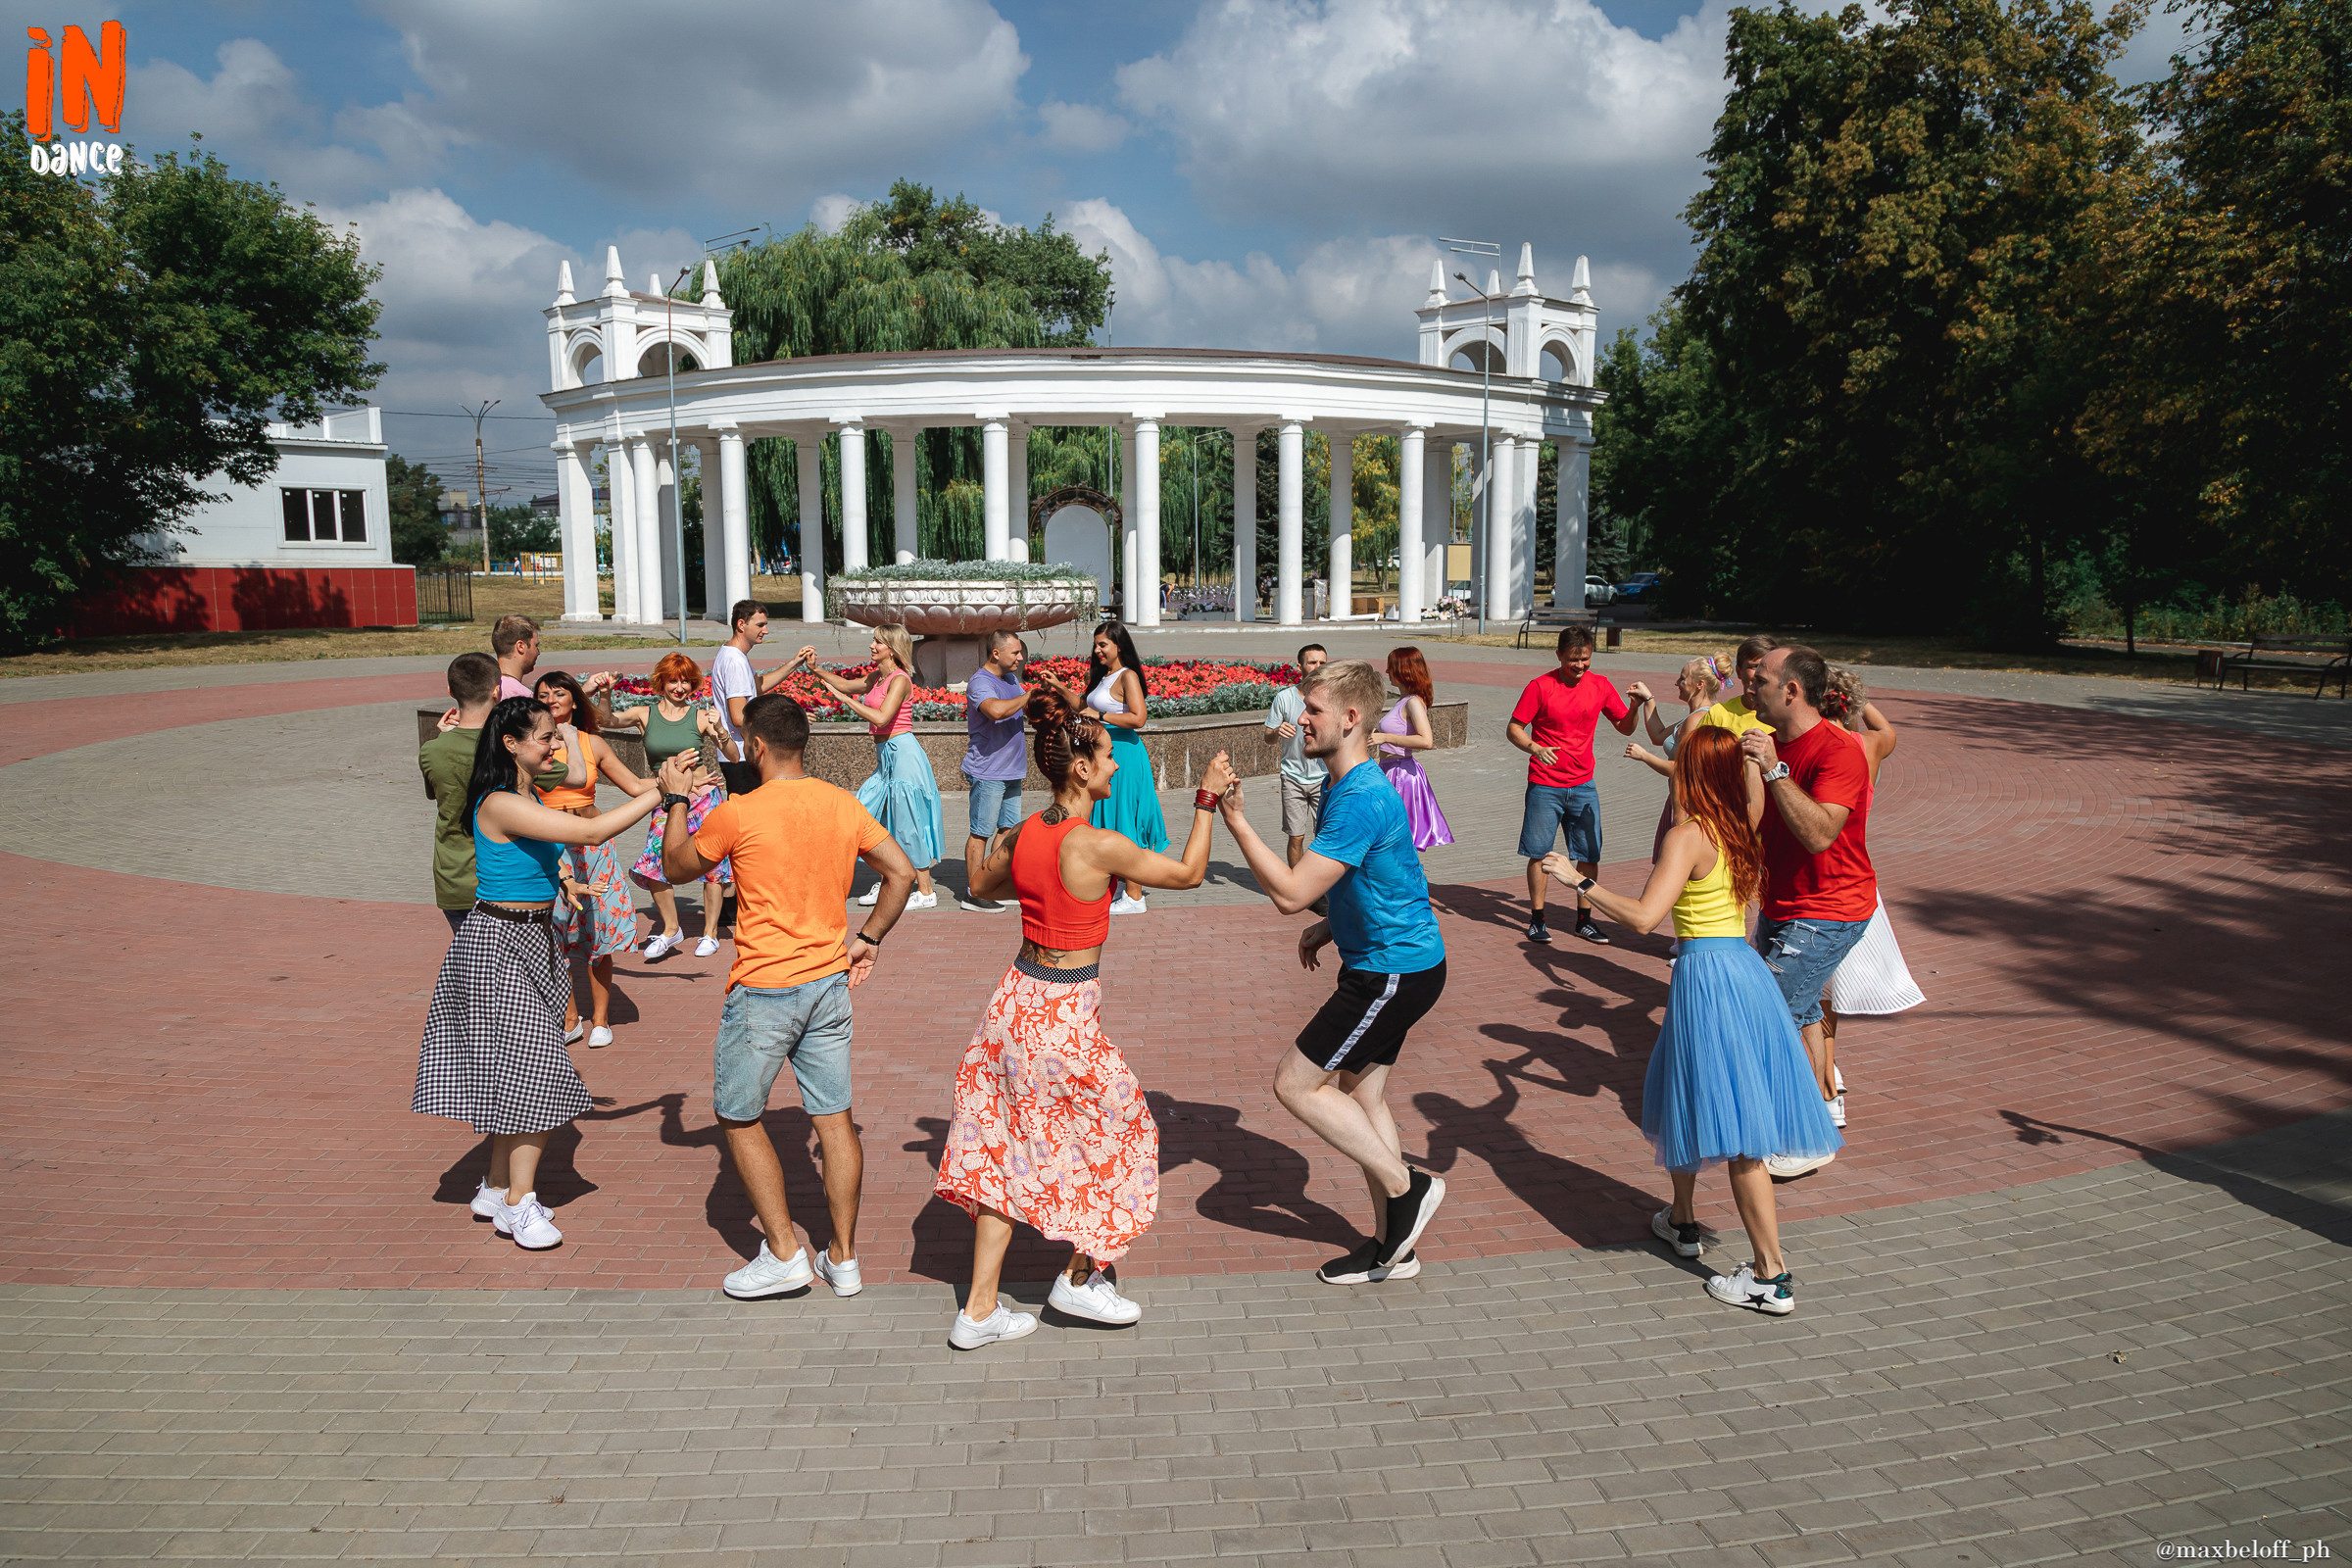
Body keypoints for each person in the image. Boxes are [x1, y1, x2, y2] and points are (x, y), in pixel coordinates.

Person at [937, 689, 1238, 1349]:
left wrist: (1036, 879)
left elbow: (984, 885)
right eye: (1106, 757)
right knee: (1125, 1136)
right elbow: (1188, 875)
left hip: (1014, 999)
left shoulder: (1027, 833)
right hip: (1063, 1013)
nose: (1115, 767)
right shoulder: (1096, 845)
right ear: (1079, 767)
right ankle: (1078, 1276)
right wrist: (1208, 798)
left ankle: (979, 1312)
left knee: (1004, 1147)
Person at [1538, 723, 1840, 1315]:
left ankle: (1771, 1275)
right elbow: (1753, 797)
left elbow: (1647, 918)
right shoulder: (1740, 826)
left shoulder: (1688, 835)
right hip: (1742, 973)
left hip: (1709, 980)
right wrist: (1757, 758)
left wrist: (1580, 883)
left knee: (1740, 1131)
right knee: (1682, 1091)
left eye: (1680, 765)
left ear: (1693, 775)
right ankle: (1680, 1218)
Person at [659, 694, 918, 1299]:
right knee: (834, 1118)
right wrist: (869, 937)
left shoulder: (737, 812)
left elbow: (674, 867)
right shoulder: (839, 802)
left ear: (754, 747)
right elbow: (901, 873)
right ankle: (844, 1258)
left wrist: (675, 798)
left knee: (737, 1113)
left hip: (764, 989)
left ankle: (783, 1253)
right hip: (828, 982)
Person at [1214, 659, 1448, 1286]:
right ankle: (1393, 1247)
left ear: (1350, 719)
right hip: (1396, 961)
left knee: (1295, 1083)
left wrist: (1235, 818)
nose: (1300, 718)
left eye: (1312, 709)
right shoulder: (1351, 787)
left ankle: (1410, 1187)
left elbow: (1290, 892)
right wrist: (1333, 924)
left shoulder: (1361, 797)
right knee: (1363, 1096)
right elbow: (1382, 876)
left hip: (1390, 972)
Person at [413, 695, 676, 1250]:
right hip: (497, 947)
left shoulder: (526, 792)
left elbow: (535, 857)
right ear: (510, 743)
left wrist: (564, 885)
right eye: (545, 737)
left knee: (522, 1074)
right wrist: (662, 791)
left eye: (556, 736)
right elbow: (588, 833)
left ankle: (495, 1186)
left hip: (532, 940)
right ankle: (519, 1206)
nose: (556, 745)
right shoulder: (501, 800)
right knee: (539, 1075)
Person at [1737, 645, 1880, 1180]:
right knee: (1799, 1011)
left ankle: (1805, 1140)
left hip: (1829, 911)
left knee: (1769, 1013)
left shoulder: (1839, 750)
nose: (1749, 688)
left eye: (1760, 681)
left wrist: (1773, 772)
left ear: (1791, 690)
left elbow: (1820, 834)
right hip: (1783, 904)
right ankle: (1822, 1105)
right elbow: (1753, 824)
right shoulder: (1772, 744)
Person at [1817, 668, 1923, 1124]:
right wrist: (1858, 696)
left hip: (1822, 885)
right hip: (1858, 881)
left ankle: (1825, 1085)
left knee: (1813, 997)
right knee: (1826, 997)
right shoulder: (1868, 746)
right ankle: (1829, 1079)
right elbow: (1883, 727)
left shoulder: (1817, 749)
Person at [533, 670, 656, 1049]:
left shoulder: (591, 742)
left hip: (593, 847)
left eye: (558, 693)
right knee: (556, 932)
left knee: (598, 931)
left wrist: (680, 778)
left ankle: (600, 1019)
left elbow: (635, 786)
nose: (551, 700)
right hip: (551, 847)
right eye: (543, 695)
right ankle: (571, 1017)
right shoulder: (533, 746)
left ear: (573, 699)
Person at [1508, 624, 1641, 946]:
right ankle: (1537, 919)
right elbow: (1514, 728)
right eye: (1573, 660)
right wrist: (1535, 748)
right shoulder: (1540, 686)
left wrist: (1635, 705)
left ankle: (1585, 920)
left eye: (1585, 659)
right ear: (1559, 655)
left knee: (1588, 855)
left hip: (1583, 785)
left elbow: (1625, 728)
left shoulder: (1601, 685)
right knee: (1539, 853)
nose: (1580, 666)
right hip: (1544, 784)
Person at [796, 624, 943, 910]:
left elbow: (883, 716)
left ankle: (925, 892)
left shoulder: (899, 680)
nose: (872, 646)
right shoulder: (879, 677)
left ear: (892, 647)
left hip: (903, 756)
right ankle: (891, 878)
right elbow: (847, 684)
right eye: (873, 641)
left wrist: (845, 701)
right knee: (867, 814)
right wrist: (815, 670)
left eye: (878, 642)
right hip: (886, 757)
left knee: (908, 825)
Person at [617, 654, 737, 958]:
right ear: (662, 681)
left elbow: (734, 756)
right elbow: (605, 721)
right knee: (652, 864)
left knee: (712, 867)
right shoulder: (644, 714)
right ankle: (671, 929)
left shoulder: (699, 717)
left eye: (685, 680)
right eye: (673, 680)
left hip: (704, 800)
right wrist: (605, 694)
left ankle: (710, 933)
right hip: (668, 799)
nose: (680, 687)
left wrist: (720, 729)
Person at [1068, 621, 1167, 913]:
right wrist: (1060, 688)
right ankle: (1121, 885)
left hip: (1124, 754)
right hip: (1107, 753)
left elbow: (1138, 718)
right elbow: (1085, 707)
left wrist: (1100, 714)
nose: (1097, 650)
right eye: (1096, 645)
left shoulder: (1128, 676)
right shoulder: (1105, 676)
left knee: (1125, 820)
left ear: (1119, 646)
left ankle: (1135, 896)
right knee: (1111, 818)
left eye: (1103, 645)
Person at [419, 653, 503, 937]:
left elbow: (437, 795)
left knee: (473, 967)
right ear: (496, 690)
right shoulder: (508, 747)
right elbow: (566, 773)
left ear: (451, 691)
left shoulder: (432, 750)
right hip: (502, 876)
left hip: (453, 877)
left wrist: (445, 737)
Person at [1626, 656, 1727, 863]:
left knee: (1674, 868)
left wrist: (1644, 756)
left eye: (1682, 679)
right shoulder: (1693, 717)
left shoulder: (1697, 721)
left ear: (1700, 684)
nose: (1676, 683)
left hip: (1689, 806)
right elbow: (1659, 734)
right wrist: (1648, 699)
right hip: (1678, 801)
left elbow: (1680, 769)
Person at [958, 630, 1031, 914]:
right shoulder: (980, 682)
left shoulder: (1010, 679)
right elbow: (996, 711)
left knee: (1007, 830)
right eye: (1015, 652)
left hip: (1012, 769)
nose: (1021, 657)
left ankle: (993, 883)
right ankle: (974, 892)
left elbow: (1021, 706)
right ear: (996, 653)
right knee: (981, 832)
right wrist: (1028, 697)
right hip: (987, 770)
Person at [710, 599, 798, 796]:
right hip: (742, 755)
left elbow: (758, 686)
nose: (765, 630)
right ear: (741, 625)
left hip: (740, 754)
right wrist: (780, 722)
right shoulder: (735, 662)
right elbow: (738, 717)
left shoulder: (733, 655)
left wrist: (794, 663)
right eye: (760, 625)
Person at [1376, 647, 1453, 851]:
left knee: (1399, 837)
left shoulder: (1413, 702)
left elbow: (1426, 740)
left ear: (1403, 671)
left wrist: (1384, 737)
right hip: (1391, 768)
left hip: (1401, 772)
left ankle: (1407, 880)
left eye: (1391, 667)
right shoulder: (1403, 701)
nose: (1387, 671)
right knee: (1392, 837)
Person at [1264, 644, 1329, 866]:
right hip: (1293, 777)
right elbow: (1268, 737)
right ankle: (1297, 887)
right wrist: (1276, 731)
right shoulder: (1284, 698)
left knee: (1325, 836)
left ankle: (1323, 887)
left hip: (1325, 778)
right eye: (1312, 662)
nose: (1318, 667)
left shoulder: (1332, 697)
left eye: (1322, 662)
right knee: (1296, 836)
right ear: (1299, 666)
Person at [1691, 633, 1779, 741]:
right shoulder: (1718, 715)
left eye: (1768, 667)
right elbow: (1697, 755)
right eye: (1754, 667)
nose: (1761, 674)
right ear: (1739, 672)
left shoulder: (1785, 717)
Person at [491, 614, 540, 701]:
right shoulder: (525, 700)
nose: (538, 652)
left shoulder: (482, 690)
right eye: (536, 646)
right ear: (520, 646)